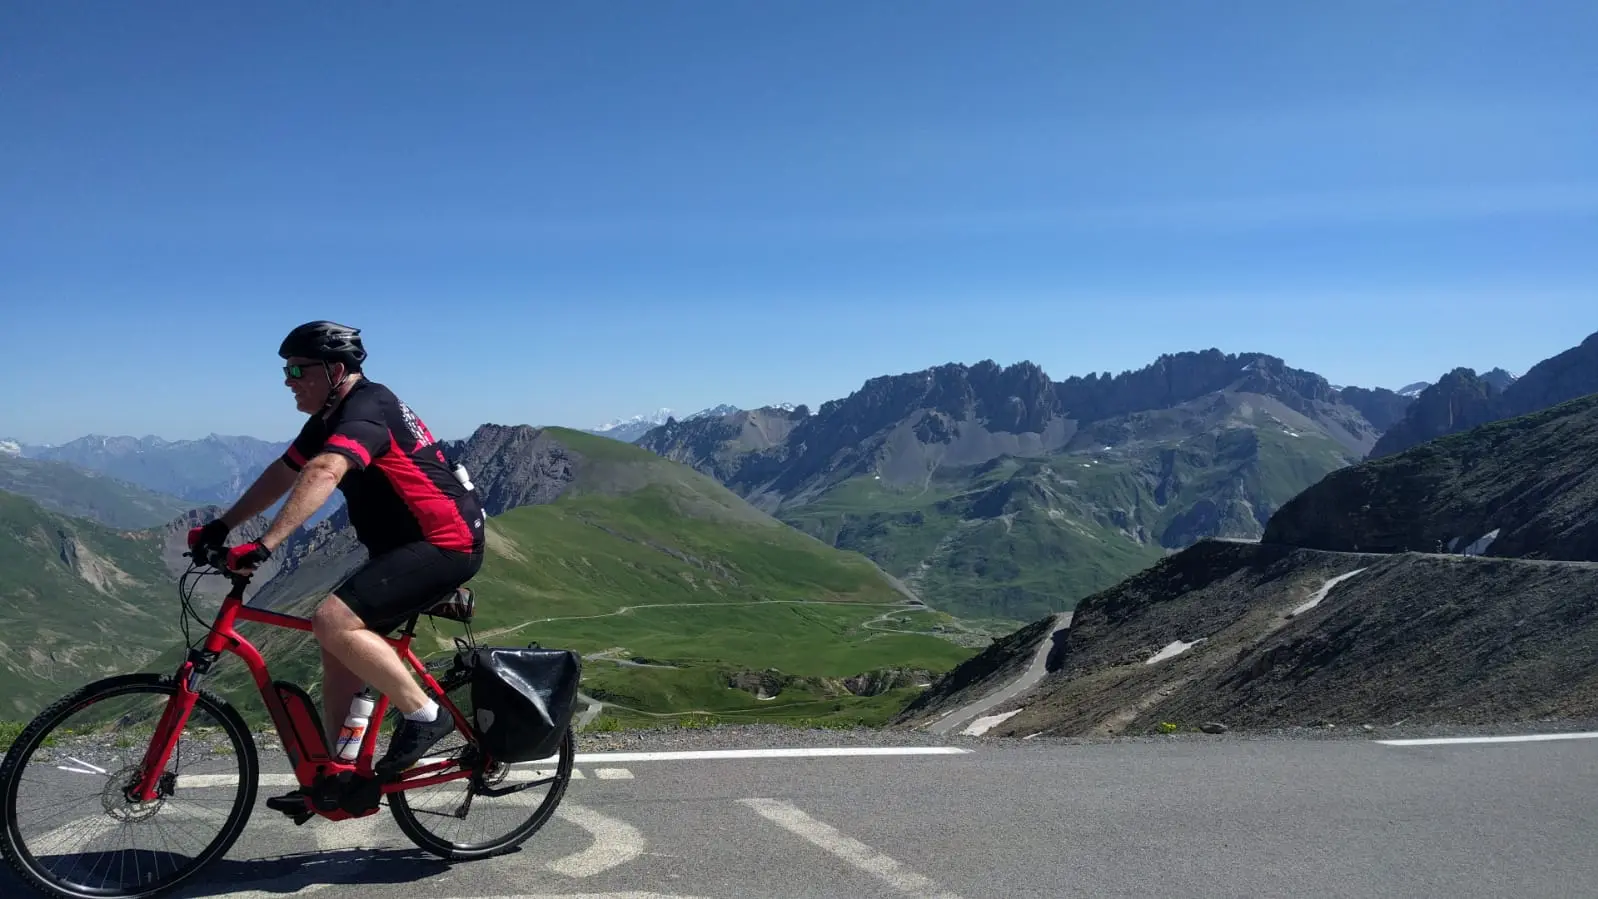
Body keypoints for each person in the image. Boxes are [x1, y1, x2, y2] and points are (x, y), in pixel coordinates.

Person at [188, 320, 486, 814]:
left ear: (335, 369)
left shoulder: (367, 410)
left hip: (446, 542)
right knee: (339, 648)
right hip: (404, 547)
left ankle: (425, 714)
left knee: (332, 620)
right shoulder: (332, 414)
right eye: (286, 369)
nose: (288, 379)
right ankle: (340, 776)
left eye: (298, 369)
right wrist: (223, 526)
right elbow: (284, 472)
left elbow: (324, 471)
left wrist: (264, 545)